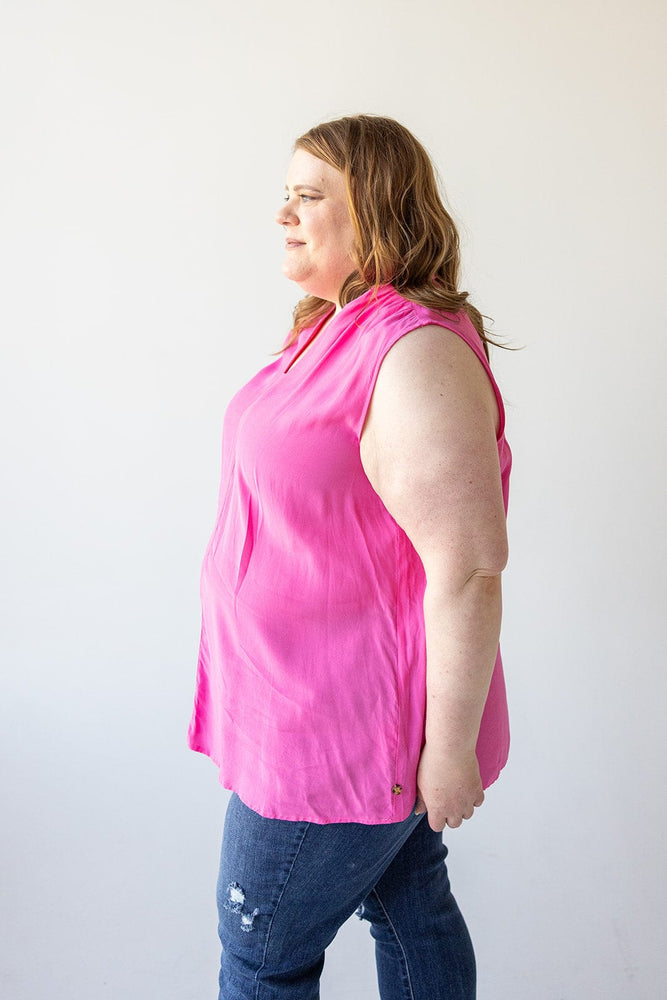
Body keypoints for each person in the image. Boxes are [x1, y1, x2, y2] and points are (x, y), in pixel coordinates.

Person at [188, 113, 512, 1000]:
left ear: (373, 210)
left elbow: (468, 565)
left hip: (340, 729)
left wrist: (446, 751)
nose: (283, 214)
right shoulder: (336, 326)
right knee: (411, 909)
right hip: (302, 704)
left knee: (262, 955)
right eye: (284, 195)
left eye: (308, 195)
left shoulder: (409, 352)